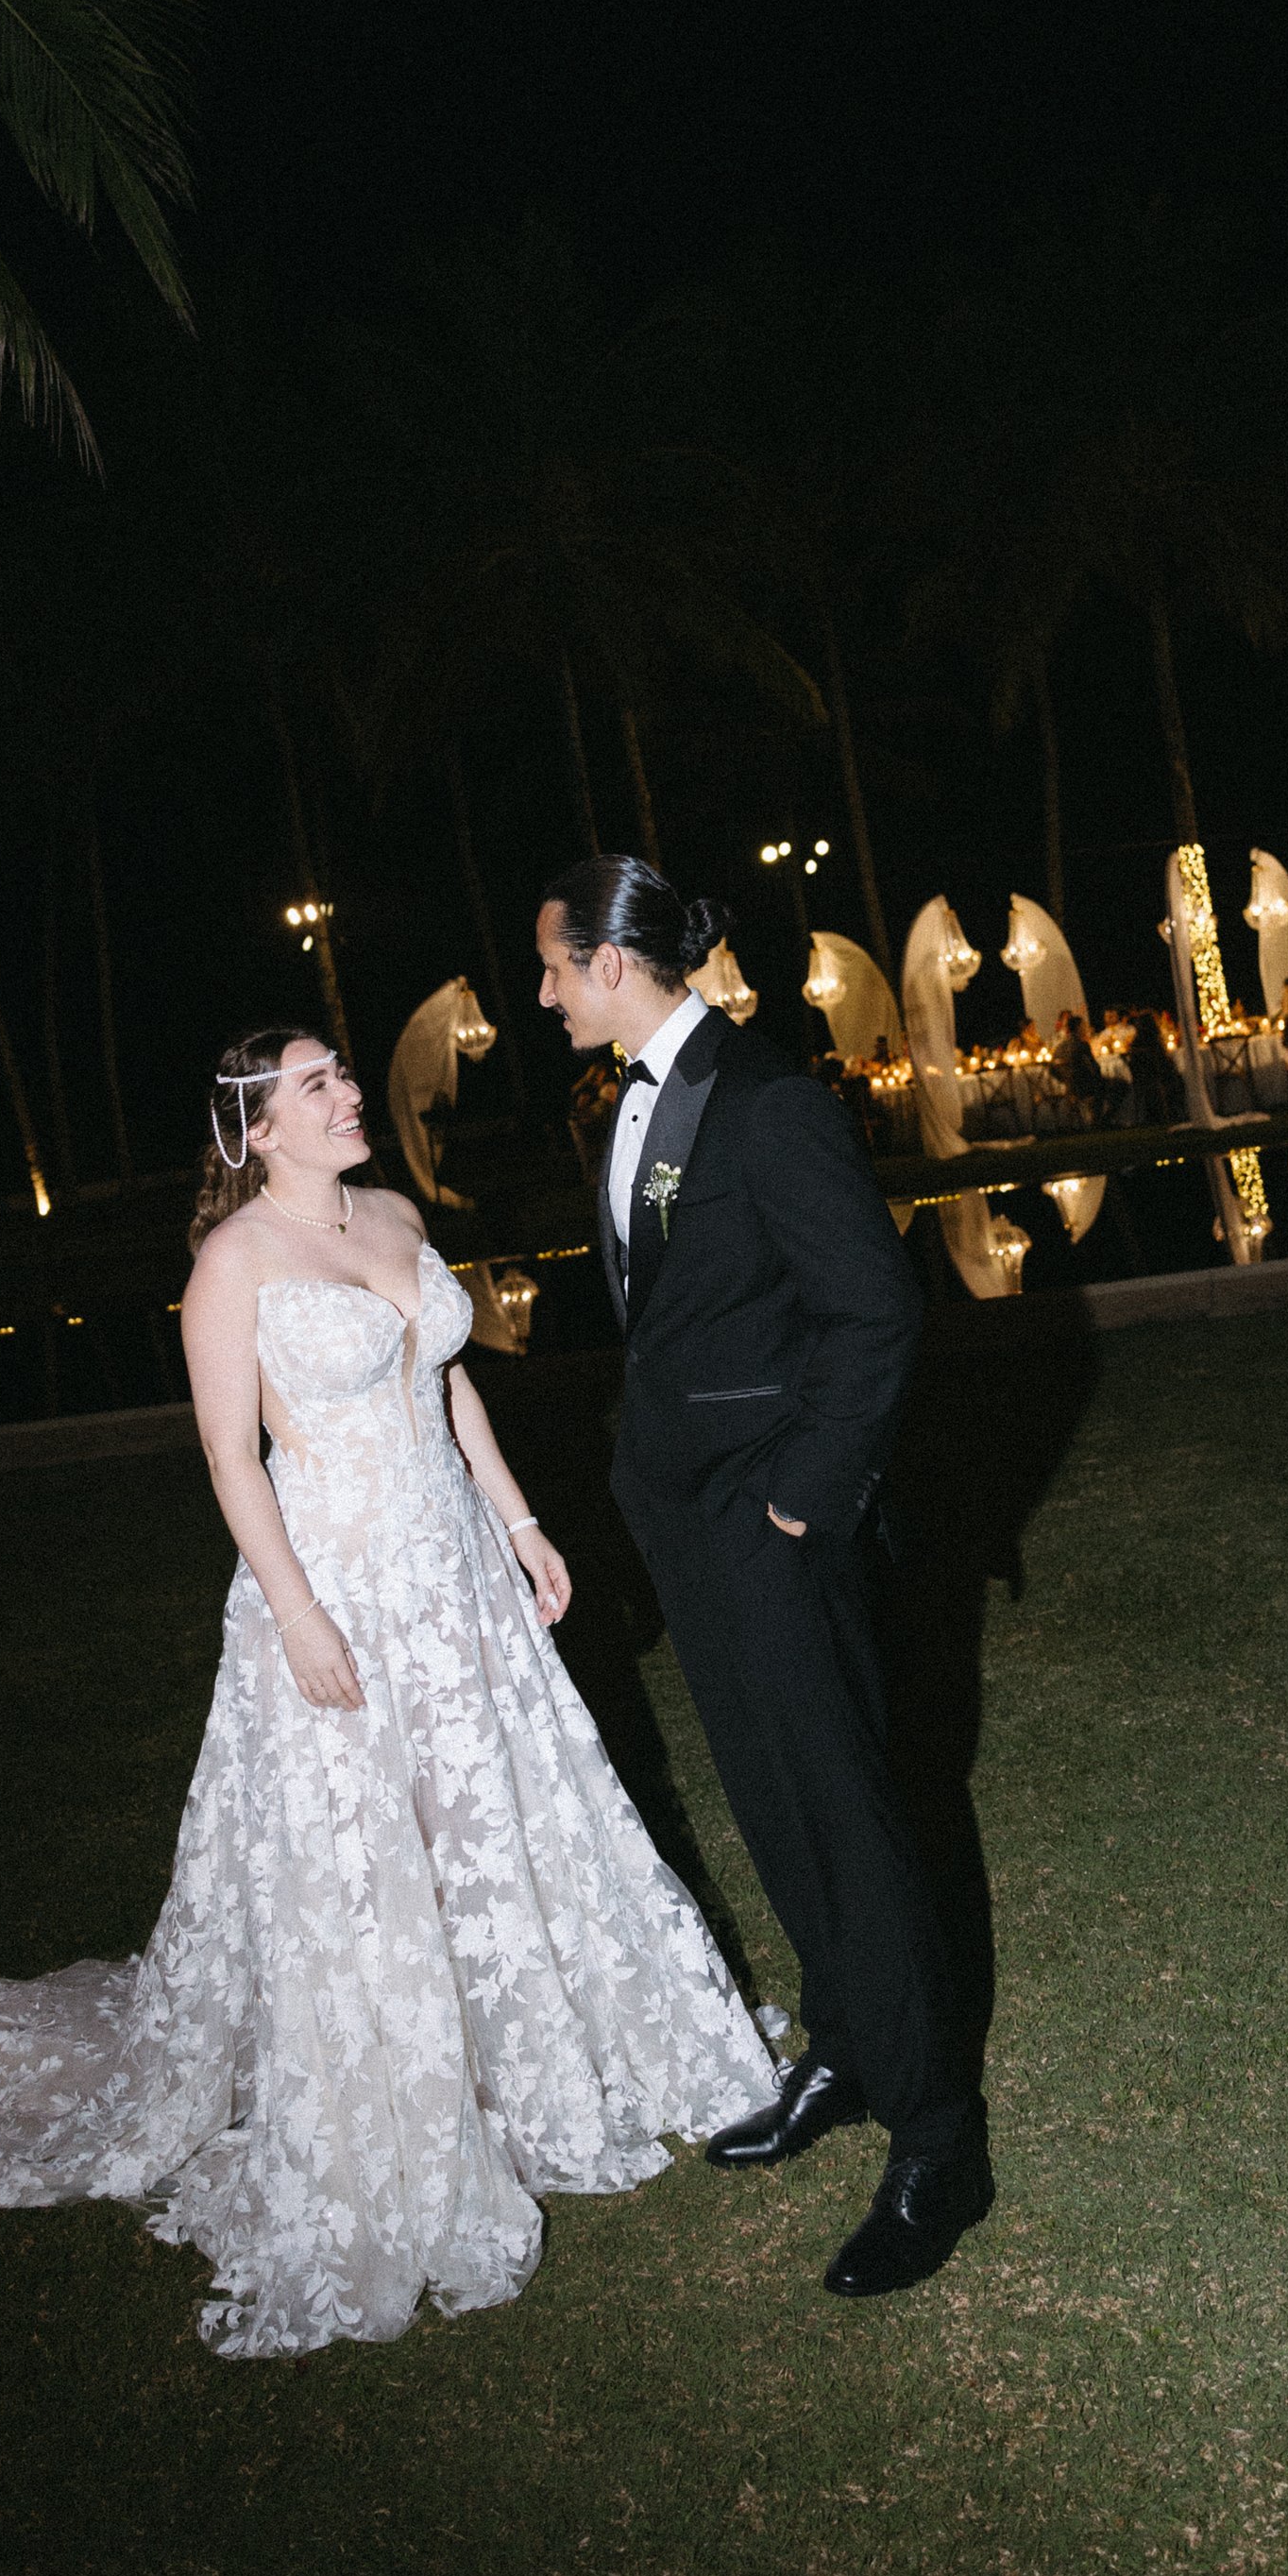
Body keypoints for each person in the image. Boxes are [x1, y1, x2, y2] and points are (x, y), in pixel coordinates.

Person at [0, 1027, 771, 2359]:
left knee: (495, 1810)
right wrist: (297, 1612)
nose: (347, 1095)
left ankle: (532, 2054)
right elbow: (230, 1455)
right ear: (255, 1131)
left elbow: (447, 1382)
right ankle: (401, 2083)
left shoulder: (393, 1211)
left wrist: (518, 1526)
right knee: (368, 1845)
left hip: (453, 1571)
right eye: (317, 1086)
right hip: (334, 1580)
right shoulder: (234, 1263)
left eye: (342, 1074)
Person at [536, 854, 993, 2300]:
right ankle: (848, 2054)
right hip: (691, 1530)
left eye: (553, 966)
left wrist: (801, 1501)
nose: (540, 993)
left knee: (851, 1819)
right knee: (774, 1805)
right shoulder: (627, 1099)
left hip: (775, 1531)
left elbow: (874, 1309)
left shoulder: (772, 1101)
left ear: (615, 964)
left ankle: (941, 2140)